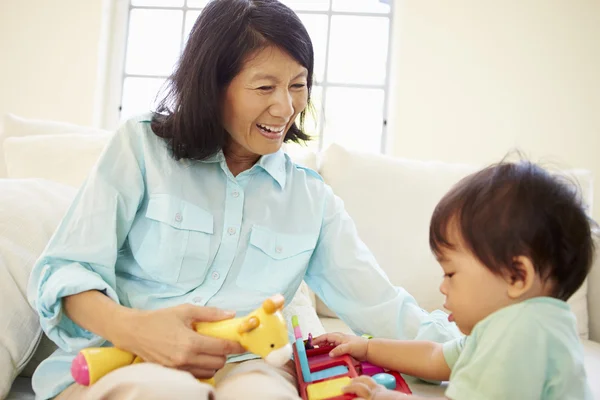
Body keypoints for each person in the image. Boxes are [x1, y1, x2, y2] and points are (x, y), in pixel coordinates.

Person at [26, 1, 459, 399]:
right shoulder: (141, 148)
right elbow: (66, 270)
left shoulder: (311, 200)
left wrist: (482, 346)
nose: (285, 108)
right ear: (213, 85)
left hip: (250, 367)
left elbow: (382, 307)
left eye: (298, 85)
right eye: (264, 87)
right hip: (127, 358)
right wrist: (137, 330)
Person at [314, 160, 595, 400]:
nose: (442, 286)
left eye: (451, 273)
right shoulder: (517, 324)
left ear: (517, 276)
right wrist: (368, 348)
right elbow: (435, 357)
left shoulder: (519, 337)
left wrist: (382, 395)